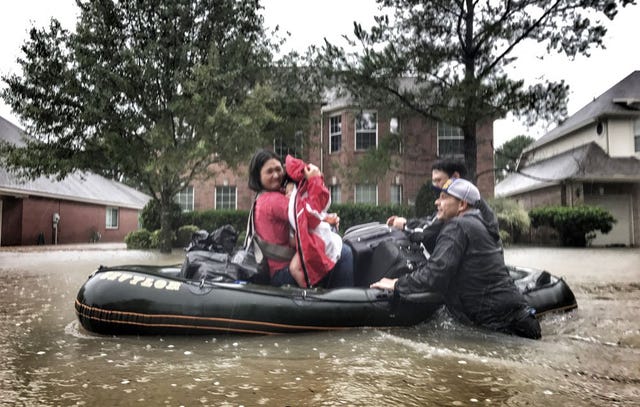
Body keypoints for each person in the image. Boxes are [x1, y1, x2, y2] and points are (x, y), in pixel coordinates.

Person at [371, 178, 541, 339]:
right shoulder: (481, 223)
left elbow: (435, 274)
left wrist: (397, 283)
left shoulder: (458, 226)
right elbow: (428, 232)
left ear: (461, 204)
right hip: (521, 319)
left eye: (444, 198)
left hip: (497, 324)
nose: (437, 202)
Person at [247, 149, 353, 288]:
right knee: (344, 252)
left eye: (279, 169)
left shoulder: (262, 199)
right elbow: (309, 214)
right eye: (269, 171)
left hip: (279, 270)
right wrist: (315, 179)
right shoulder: (272, 201)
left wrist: (326, 219)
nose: (276, 175)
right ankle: (345, 303)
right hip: (283, 273)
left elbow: (303, 217)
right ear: (258, 176)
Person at [386, 159, 497, 254]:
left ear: (455, 177)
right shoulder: (472, 205)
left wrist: (405, 226)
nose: (435, 186)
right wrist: (408, 223)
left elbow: (427, 235)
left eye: (438, 180)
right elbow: (433, 221)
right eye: (433, 181)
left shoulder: (466, 215)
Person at [283, 155, 346, 288]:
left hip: (317, 241)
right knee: (296, 268)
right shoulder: (294, 204)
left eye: (289, 192)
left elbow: (313, 213)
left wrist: (315, 180)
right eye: (286, 192)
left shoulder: (301, 201)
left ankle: (311, 295)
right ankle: (312, 292)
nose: (287, 195)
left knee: (295, 268)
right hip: (311, 241)